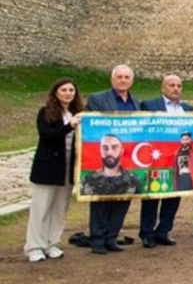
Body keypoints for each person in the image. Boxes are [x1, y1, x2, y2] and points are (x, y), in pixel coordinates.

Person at [84, 65, 141, 253]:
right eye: (119, 77)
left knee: (122, 199)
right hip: (105, 157)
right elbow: (91, 127)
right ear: (112, 79)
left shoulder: (136, 102)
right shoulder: (97, 99)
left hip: (125, 159)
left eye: (126, 77)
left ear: (131, 80)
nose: (123, 80)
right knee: (101, 200)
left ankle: (112, 237)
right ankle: (98, 240)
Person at [25, 78, 83, 262]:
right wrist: (69, 126)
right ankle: (35, 245)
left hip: (68, 167)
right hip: (49, 167)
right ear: (56, 93)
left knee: (60, 208)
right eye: (64, 90)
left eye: (71, 90)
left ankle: (52, 243)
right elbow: (47, 135)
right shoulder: (46, 113)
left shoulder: (77, 113)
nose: (68, 93)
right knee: (41, 208)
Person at [138, 74, 193, 248]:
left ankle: (164, 230)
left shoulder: (188, 109)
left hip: (179, 159)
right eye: (171, 85)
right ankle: (147, 232)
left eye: (179, 86)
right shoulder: (149, 105)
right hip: (157, 158)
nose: (175, 89)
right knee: (153, 194)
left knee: (175, 194)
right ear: (163, 88)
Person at [80, 134, 141, 253]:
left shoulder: (132, 180)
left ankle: (111, 239)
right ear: (100, 150)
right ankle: (98, 242)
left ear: (121, 150)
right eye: (105, 148)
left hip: (123, 188)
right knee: (99, 211)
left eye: (114, 147)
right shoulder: (90, 179)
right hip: (99, 190)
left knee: (119, 212)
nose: (110, 152)